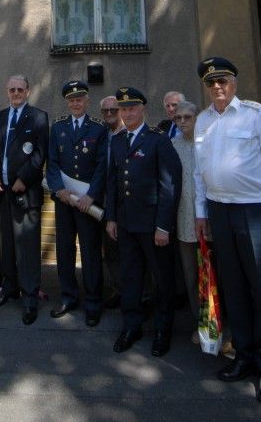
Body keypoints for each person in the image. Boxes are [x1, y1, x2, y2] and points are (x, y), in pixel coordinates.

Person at [194, 57, 261, 406]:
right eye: (211, 83)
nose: (217, 87)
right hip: (219, 211)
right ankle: (244, 355)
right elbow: (198, 173)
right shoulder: (204, 121)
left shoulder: (255, 116)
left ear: (234, 83)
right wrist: (200, 213)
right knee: (233, 287)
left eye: (223, 81)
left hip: (254, 210)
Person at [106, 87, 182, 356]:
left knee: (162, 279)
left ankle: (163, 330)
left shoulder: (157, 140)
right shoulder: (117, 141)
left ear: (143, 110)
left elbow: (170, 186)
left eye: (132, 108)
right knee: (131, 277)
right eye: (123, 109)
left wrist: (163, 226)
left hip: (152, 226)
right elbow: (114, 182)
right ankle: (132, 325)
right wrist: (112, 218)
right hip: (126, 223)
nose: (127, 113)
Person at [0, 74, 49, 325]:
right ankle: (10, 288)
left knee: (28, 248)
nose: (15, 93)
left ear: (28, 91)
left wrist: (24, 178)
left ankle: (30, 297)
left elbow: (40, 152)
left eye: (20, 89)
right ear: (7, 91)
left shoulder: (38, 117)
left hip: (25, 192)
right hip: (2, 192)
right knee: (7, 244)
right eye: (12, 89)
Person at [46, 80, 107, 327]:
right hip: (65, 202)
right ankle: (69, 296)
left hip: (86, 203)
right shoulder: (58, 127)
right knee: (64, 250)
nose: (75, 103)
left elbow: (102, 166)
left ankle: (93, 302)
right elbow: (52, 163)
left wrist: (91, 196)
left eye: (79, 99)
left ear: (87, 101)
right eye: (71, 100)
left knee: (91, 252)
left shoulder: (98, 129)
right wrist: (58, 189)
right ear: (67, 102)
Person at [171, 100, 200, 339]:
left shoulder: (208, 143)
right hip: (184, 220)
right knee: (191, 275)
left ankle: (226, 325)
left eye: (187, 117)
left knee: (218, 275)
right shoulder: (173, 145)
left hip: (209, 221)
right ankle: (200, 323)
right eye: (177, 118)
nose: (182, 122)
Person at [100, 95, 125, 309]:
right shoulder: (103, 135)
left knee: (131, 252)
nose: (109, 114)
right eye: (105, 111)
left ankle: (141, 296)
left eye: (113, 110)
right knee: (111, 251)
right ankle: (119, 289)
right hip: (104, 201)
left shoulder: (129, 134)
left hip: (125, 203)